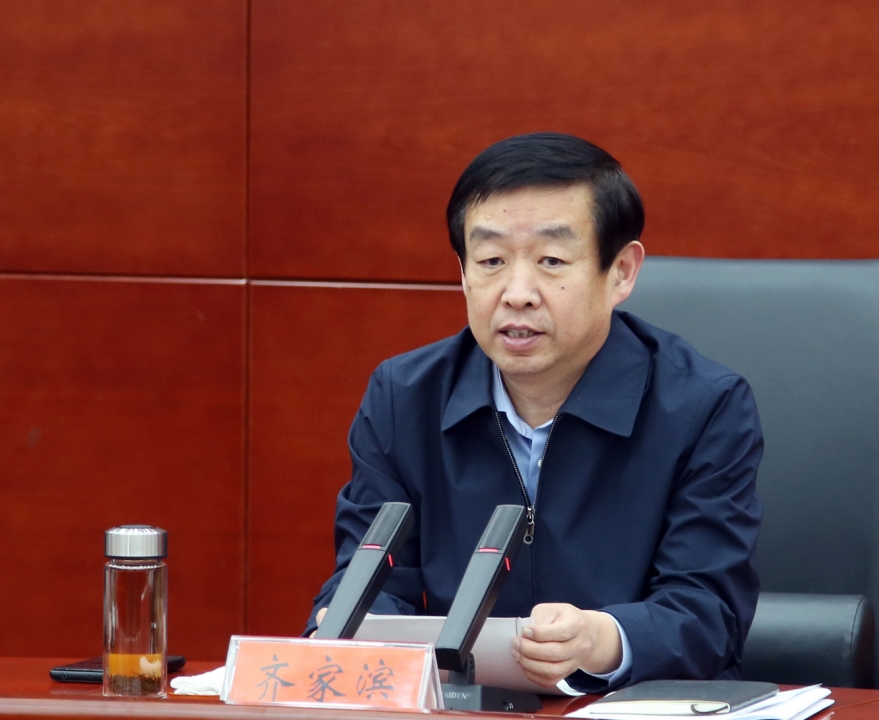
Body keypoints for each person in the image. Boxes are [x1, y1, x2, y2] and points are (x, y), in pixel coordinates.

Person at [306, 133, 763, 692]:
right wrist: (350, 625)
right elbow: (374, 580)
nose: (517, 292)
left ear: (621, 271)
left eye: (551, 260)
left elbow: (710, 613)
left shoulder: (703, 406)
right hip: (464, 704)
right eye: (491, 261)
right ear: (463, 272)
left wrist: (600, 640)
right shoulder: (404, 397)